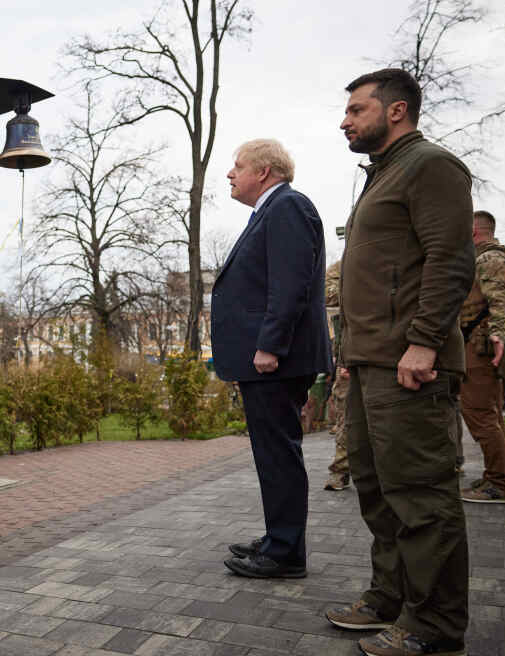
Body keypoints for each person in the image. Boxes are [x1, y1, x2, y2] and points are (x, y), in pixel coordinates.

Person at [324, 68, 472, 656]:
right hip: (370, 362)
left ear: (396, 111)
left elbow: (449, 259)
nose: (345, 120)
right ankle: (390, 597)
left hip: (411, 363)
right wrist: (349, 356)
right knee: (376, 486)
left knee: (420, 492)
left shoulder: (431, 165)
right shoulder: (382, 176)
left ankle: (434, 625)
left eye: (357, 109)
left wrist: (425, 341)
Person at [211, 138, 331, 580]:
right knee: (273, 454)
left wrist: (270, 345)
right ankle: (279, 537)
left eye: (237, 166)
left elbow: (290, 284)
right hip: (269, 360)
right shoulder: (273, 210)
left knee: (278, 454)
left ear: (263, 171)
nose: (230, 173)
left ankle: (284, 552)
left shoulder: (287, 206)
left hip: (274, 360)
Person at [458, 210, 505, 504]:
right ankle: (495, 475)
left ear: (473, 231)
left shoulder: (489, 259)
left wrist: (497, 334)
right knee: (488, 414)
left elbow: (501, 299)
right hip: (481, 344)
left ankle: (501, 483)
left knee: (479, 414)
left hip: (481, 347)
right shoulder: (486, 257)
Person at [323, 258, 351, 491]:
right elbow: (326, 293)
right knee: (346, 411)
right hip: (351, 348)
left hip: (394, 348)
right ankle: (341, 470)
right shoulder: (345, 264)